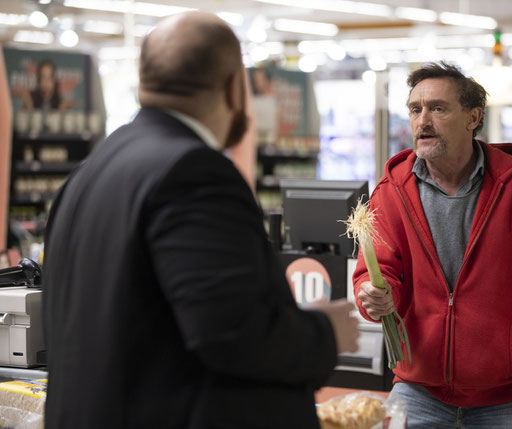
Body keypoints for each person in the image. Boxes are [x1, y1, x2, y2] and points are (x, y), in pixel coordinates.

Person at [43, 11, 359, 429]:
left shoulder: (90, 171)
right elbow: (233, 335)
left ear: (143, 82)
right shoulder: (192, 172)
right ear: (234, 87)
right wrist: (324, 332)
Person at [353, 61, 512, 429]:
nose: (423, 121)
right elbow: (379, 273)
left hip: (506, 399)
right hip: (417, 390)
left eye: (438, 109)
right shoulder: (391, 192)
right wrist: (376, 295)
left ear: (473, 117)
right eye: (415, 109)